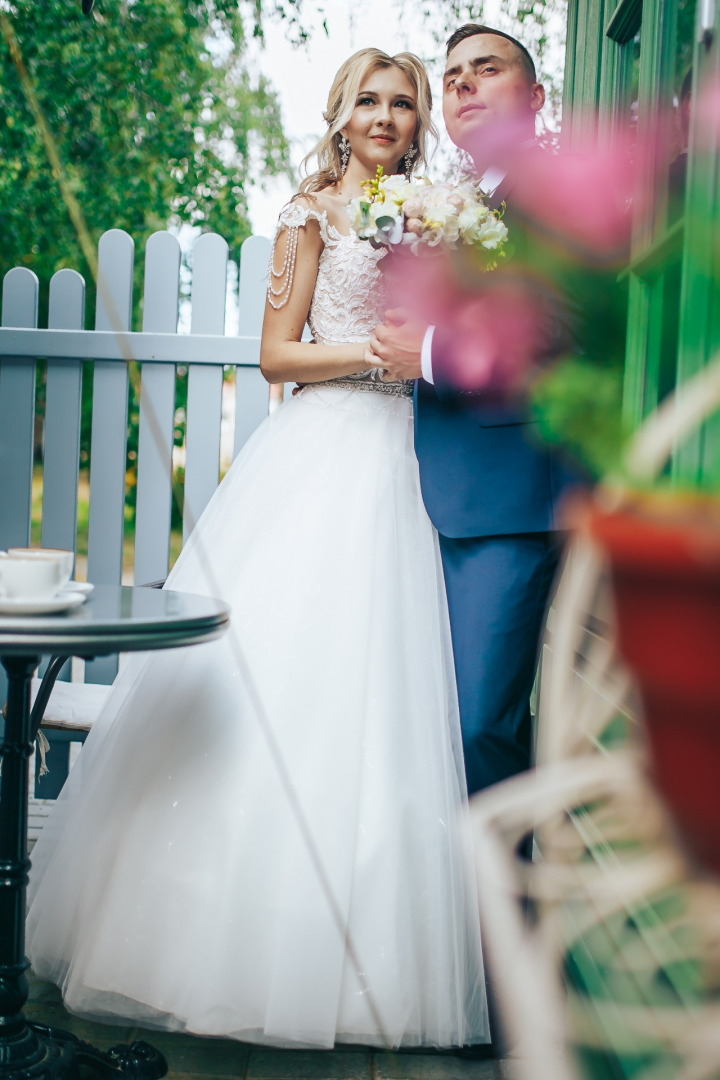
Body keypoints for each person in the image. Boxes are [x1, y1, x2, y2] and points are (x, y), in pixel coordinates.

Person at [25, 48, 490, 1051]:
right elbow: (277, 352)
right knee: (283, 678)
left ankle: (368, 964)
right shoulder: (308, 211)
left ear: (419, 123)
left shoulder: (437, 220)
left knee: (383, 700)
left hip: (410, 467)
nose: (385, 114)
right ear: (343, 112)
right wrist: (378, 356)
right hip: (324, 453)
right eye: (369, 98)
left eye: (402, 102)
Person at [368, 25, 581, 798]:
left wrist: (426, 354)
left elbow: (557, 334)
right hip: (434, 490)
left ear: (533, 98)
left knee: (479, 727)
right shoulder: (467, 200)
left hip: (506, 501)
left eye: (484, 70)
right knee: (426, 722)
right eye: (452, 74)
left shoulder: (554, 197)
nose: (461, 84)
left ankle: (505, 914)